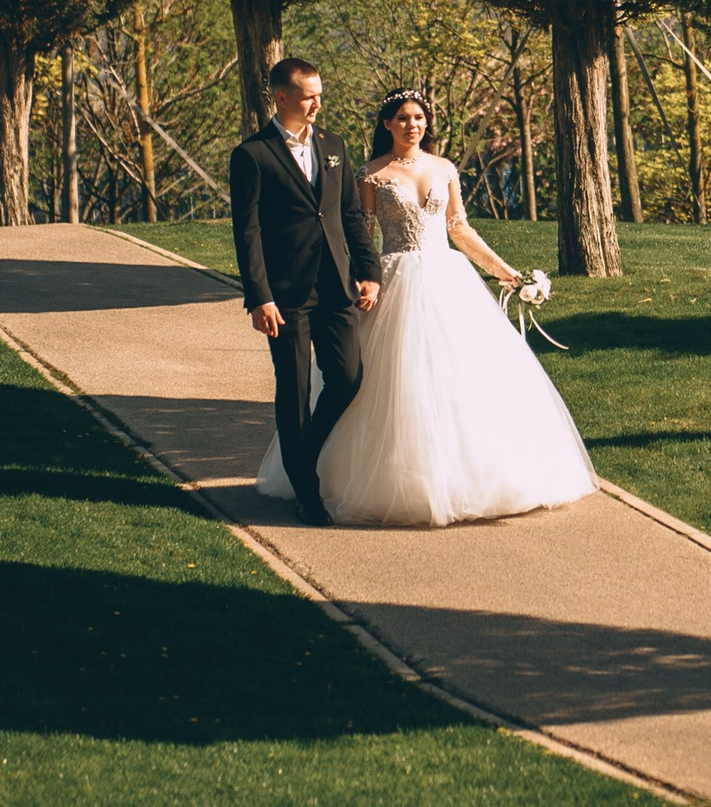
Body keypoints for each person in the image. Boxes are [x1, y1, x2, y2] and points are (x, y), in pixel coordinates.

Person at [254, 87, 595, 526]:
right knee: (394, 381)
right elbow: (360, 235)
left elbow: (459, 229)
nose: (411, 125)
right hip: (393, 280)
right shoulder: (370, 174)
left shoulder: (444, 168)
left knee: (465, 380)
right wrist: (366, 279)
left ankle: (471, 475)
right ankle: (359, 478)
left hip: (447, 280)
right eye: (402, 118)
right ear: (387, 125)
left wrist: (502, 270)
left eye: (418, 117)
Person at [230, 58, 381, 527]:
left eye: (320, 92)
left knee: (348, 377)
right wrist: (259, 297)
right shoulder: (252, 154)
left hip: (337, 286)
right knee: (292, 390)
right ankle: (306, 492)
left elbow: (350, 215)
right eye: (308, 94)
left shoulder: (333, 146)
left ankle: (304, 451)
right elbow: (247, 232)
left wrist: (368, 269)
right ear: (281, 97)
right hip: (285, 294)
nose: (318, 102)